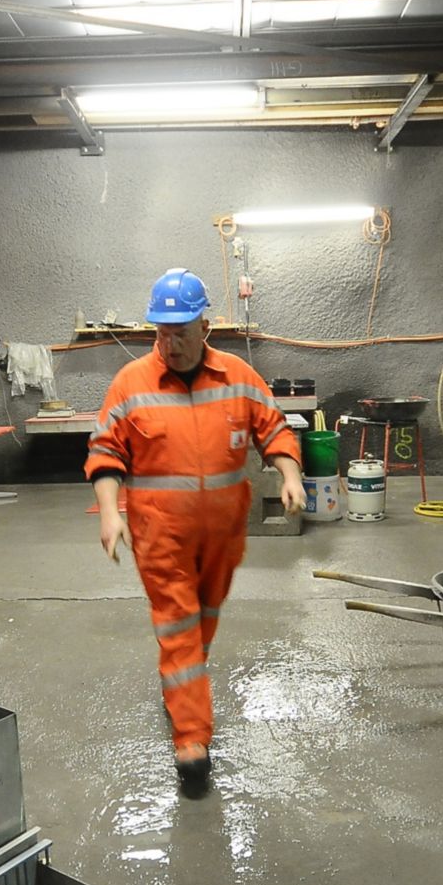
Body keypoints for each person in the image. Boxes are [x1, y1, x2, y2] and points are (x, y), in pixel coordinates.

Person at [86, 268, 305, 786]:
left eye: (181, 332)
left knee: (202, 621)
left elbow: (273, 428)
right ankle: (191, 740)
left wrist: (290, 475)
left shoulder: (238, 377)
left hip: (225, 536)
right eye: (162, 332)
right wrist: (112, 512)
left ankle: (180, 683)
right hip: (161, 535)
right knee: (179, 625)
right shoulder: (131, 383)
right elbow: (105, 451)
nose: (171, 343)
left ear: (206, 327)